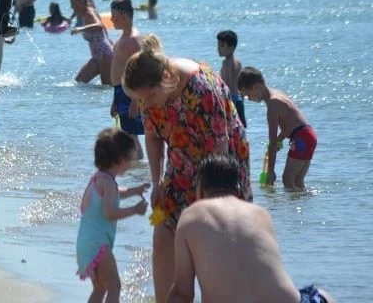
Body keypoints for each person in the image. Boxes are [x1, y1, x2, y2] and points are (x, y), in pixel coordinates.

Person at [122, 35, 252, 302]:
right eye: (141, 100)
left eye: (149, 97)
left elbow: (220, 149)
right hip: (181, 160)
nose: (147, 105)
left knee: (213, 239)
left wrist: (211, 202)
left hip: (221, 167)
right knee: (164, 230)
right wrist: (157, 182)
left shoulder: (201, 88)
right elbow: (154, 136)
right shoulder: (150, 95)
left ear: (166, 79)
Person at [167, 154, 335, 303]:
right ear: (238, 189)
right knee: (322, 294)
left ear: (200, 189)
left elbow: (183, 294)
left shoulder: (190, 216)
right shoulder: (260, 214)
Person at [76, 127, 149, 303]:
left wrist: (133, 191)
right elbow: (110, 213)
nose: (132, 161)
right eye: (131, 157)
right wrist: (134, 210)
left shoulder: (101, 178)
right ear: (120, 159)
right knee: (114, 287)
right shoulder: (107, 183)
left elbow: (117, 193)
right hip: (97, 243)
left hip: (86, 243)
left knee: (100, 289)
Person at [238, 67, 317, 190]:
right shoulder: (278, 93)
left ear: (256, 87)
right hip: (308, 135)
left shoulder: (272, 106)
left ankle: (297, 208)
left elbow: (273, 143)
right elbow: (291, 121)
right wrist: (281, 138)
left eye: (247, 94)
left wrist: (270, 172)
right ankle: (306, 206)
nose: (248, 99)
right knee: (298, 181)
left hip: (301, 138)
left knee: (287, 180)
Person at [109, 0, 144, 159]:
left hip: (131, 94)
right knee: (129, 136)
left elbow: (140, 71)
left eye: (113, 15)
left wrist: (136, 100)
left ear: (123, 14)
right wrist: (115, 99)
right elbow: (120, 70)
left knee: (131, 137)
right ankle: (137, 173)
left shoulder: (133, 39)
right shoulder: (123, 37)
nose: (111, 19)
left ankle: (139, 174)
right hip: (121, 92)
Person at [70, 0, 113, 85]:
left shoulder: (89, 12)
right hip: (97, 56)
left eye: (73, 3)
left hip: (104, 55)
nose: (71, 6)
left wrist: (80, 29)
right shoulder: (85, 14)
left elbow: (99, 26)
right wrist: (109, 41)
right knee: (78, 82)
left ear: (80, 2)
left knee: (106, 87)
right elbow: (104, 30)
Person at [217, 30, 246, 127]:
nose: (218, 49)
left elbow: (226, 85)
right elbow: (240, 86)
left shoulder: (226, 63)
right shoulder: (238, 63)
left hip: (231, 99)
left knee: (231, 127)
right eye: (218, 46)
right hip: (238, 98)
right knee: (240, 127)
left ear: (231, 47)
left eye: (221, 46)